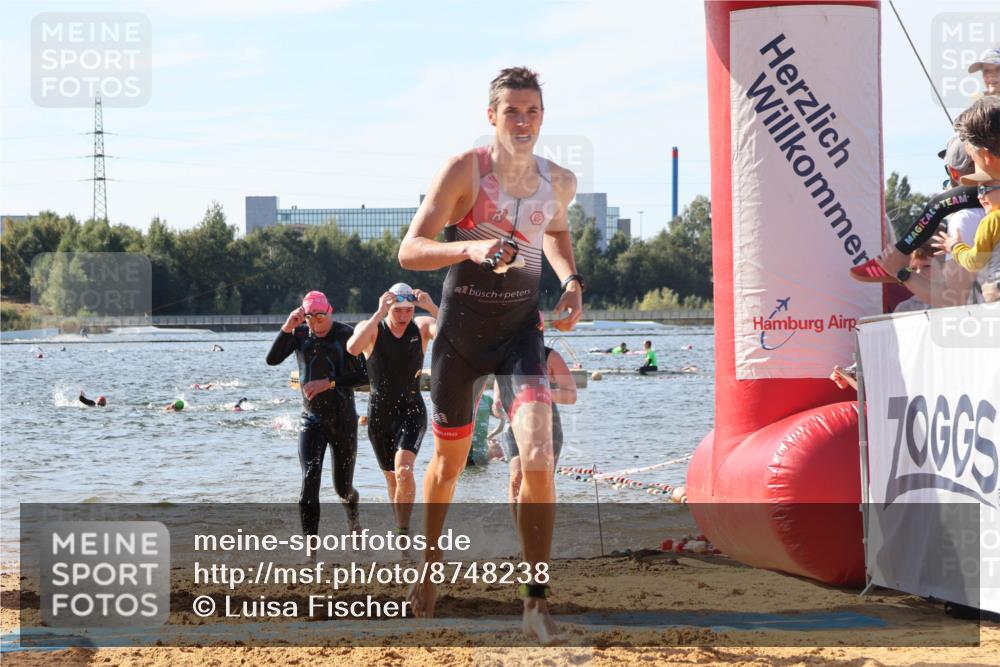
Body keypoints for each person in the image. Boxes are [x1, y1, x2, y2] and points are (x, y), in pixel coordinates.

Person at [397, 66, 583, 643]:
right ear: (492, 116)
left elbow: (555, 234)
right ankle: (429, 566)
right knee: (449, 465)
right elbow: (410, 250)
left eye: (532, 111)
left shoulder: (559, 181)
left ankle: (535, 601)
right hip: (460, 340)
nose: (523, 121)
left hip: (519, 334)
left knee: (538, 454)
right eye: (512, 112)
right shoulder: (464, 171)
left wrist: (571, 281)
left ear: (542, 117)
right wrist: (470, 249)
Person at [851, 99, 999, 283]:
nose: (981, 191)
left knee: (938, 204)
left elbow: (957, 287)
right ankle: (900, 255)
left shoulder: (977, 219)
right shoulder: (986, 217)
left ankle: (898, 256)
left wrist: (955, 247)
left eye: (972, 158)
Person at [266, 290, 369, 540]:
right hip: (311, 420)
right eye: (309, 318)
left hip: (343, 421)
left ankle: (354, 522)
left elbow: (366, 376)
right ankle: (310, 549)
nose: (315, 323)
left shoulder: (346, 335)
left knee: (343, 488)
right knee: (310, 477)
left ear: (329, 312)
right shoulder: (300, 335)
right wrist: (287, 327)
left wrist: (330, 383)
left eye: (320, 317)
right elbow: (272, 360)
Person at [346, 283, 438, 542]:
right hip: (379, 414)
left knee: (404, 470)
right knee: (392, 477)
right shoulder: (372, 328)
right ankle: (402, 527)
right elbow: (353, 348)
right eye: (398, 310)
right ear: (388, 308)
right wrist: (378, 314)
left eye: (409, 310)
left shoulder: (421, 327)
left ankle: (403, 535)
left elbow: (453, 333)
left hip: (412, 409)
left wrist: (431, 307)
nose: (404, 316)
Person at [494, 345, 576, 515]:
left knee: (543, 482)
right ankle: (519, 527)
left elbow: (571, 395)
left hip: (546, 425)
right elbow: (499, 386)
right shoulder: (505, 353)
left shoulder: (549, 356)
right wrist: (496, 402)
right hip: (514, 424)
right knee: (516, 477)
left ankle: (543, 526)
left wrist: (538, 393)